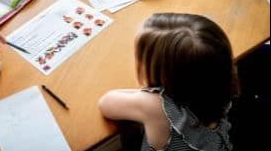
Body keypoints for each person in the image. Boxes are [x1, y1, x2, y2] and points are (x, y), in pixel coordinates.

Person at [99, 13, 236, 151]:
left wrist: (148, 94)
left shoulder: (156, 106)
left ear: (164, 73)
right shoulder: (220, 85)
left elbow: (106, 103)